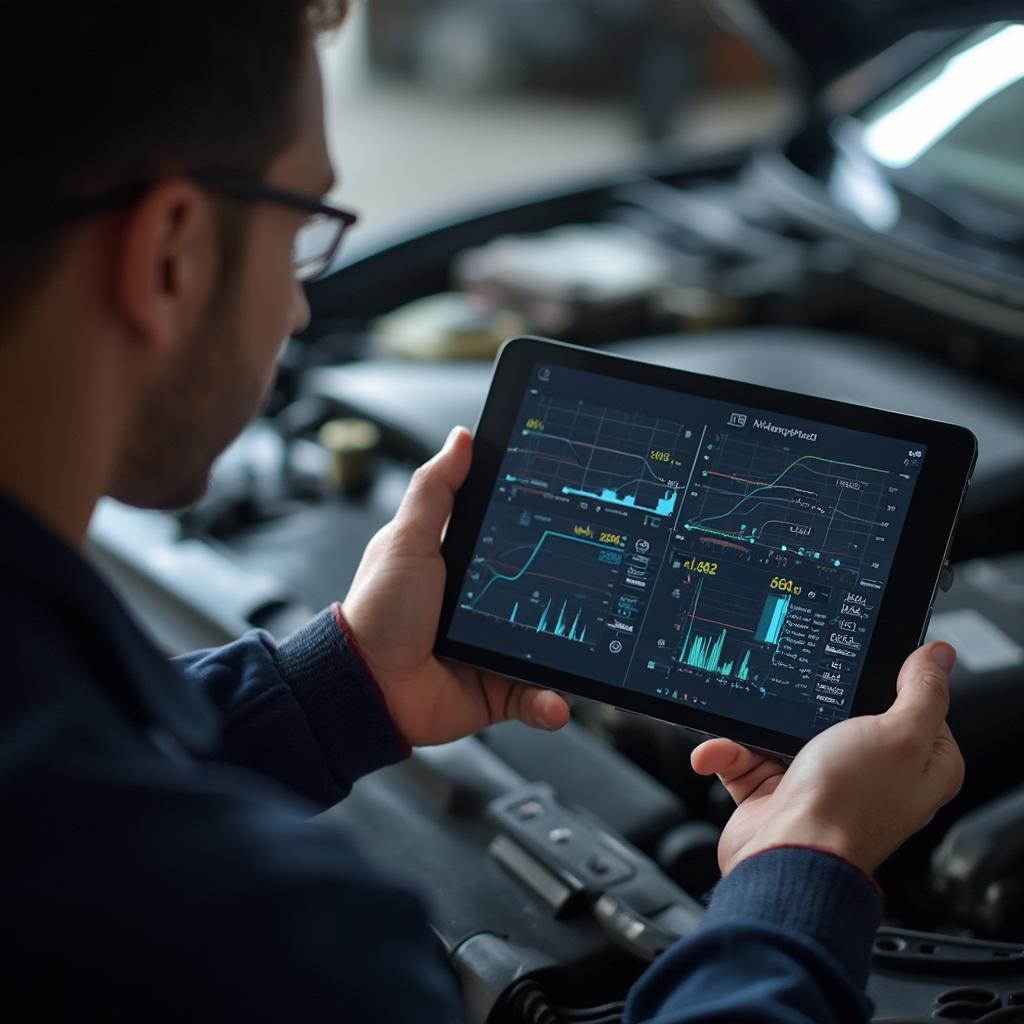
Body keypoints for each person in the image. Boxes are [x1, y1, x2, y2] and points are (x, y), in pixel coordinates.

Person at [0, 2, 964, 1021]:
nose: (297, 309)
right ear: (171, 257)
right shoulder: (257, 941)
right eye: (301, 235)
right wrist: (799, 867)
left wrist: (340, 685)